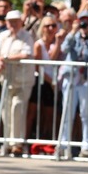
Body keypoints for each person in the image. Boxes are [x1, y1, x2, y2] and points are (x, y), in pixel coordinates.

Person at [57, 10, 88, 159]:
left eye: (87, 21)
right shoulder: (73, 37)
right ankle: (64, 145)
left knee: (85, 113)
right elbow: (64, 49)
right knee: (67, 113)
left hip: (87, 79)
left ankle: (86, 146)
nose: (84, 24)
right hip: (71, 78)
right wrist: (73, 31)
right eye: (82, 21)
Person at [0, 10, 35, 156]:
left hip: (23, 80)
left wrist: (7, 58)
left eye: (16, 21)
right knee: (6, 111)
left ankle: (17, 143)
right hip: (6, 80)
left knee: (18, 107)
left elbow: (26, 53)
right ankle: (7, 143)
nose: (13, 24)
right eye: (10, 21)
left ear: (21, 22)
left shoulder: (26, 36)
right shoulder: (3, 36)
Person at [26, 14, 64, 142]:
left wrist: (58, 42)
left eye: (54, 25)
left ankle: (45, 141)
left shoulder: (56, 44)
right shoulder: (38, 44)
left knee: (49, 114)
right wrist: (50, 81)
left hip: (51, 82)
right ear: (42, 28)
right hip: (40, 80)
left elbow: (52, 59)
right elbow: (38, 67)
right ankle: (25, 141)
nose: (51, 28)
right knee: (32, 112)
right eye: (48, 26)